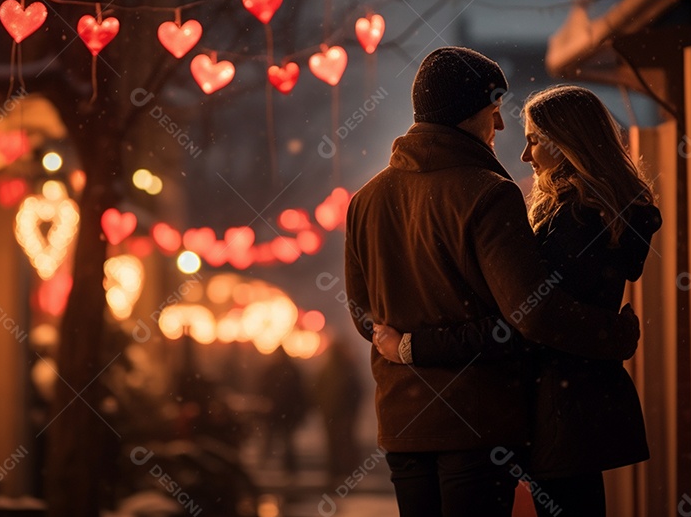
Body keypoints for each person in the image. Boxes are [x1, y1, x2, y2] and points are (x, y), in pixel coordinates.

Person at [343, 47, 641, 517]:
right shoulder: (488, 193)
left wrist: (406, 347)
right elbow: (528, 315)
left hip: (403, 422)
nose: (500, 128)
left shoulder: (365, 200)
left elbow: (366, 319)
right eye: (495, 111)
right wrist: (614, 333)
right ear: (467, 112)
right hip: (477, 423)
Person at [314, 335, 364, 484]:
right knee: (343, 442)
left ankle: (338, 470)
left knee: (337, 443)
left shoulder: (332, 369)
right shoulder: (345, 368)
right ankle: (343, 470)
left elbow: (318, 390)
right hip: (338, 413)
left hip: (335, 413)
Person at [257, 346, 308, 473]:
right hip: (284, 411)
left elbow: (263, 389)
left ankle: (269, 466)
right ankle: (286, 468)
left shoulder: (275, 370)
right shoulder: (290, 369)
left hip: (280, 411)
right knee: (281, 441)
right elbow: (300, 392)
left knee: (278, 440)